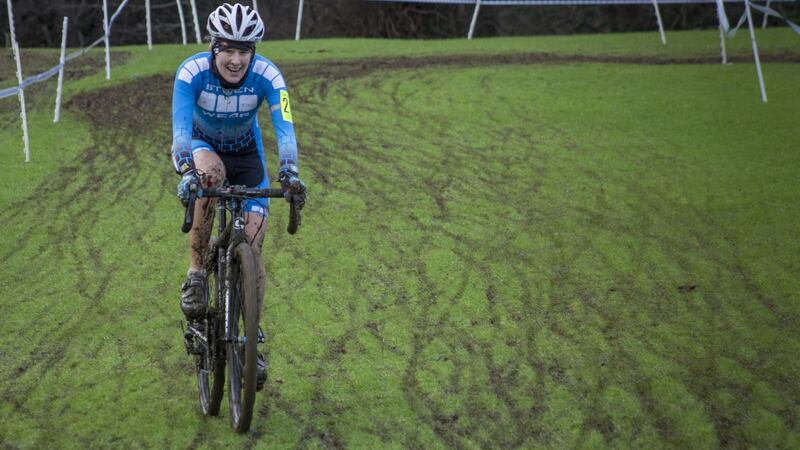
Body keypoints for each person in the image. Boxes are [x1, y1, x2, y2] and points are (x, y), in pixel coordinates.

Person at [171, 3, 305, 388]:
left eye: (243, 51)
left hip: (248, 155)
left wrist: (290, 174)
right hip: (202, 147)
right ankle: (197, 273)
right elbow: (180, 130)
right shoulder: (192, 72)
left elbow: (286, 129)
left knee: (253, 243)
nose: (235, 60)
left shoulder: (269, 76)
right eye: (227, 50)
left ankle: (249, 338)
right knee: (210, 177)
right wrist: (186, 170)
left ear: (254, 52)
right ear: (214, 48)